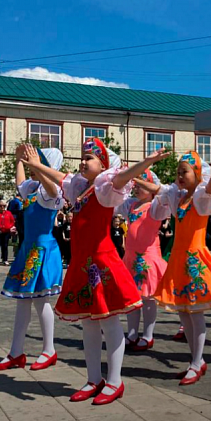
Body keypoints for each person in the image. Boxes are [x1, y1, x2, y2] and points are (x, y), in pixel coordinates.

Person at [31, 138, 165, 405]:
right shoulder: (81, 188)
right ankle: (94, 379)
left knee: (108, 320)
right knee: (88, 323)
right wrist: (37, 165)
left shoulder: (106, 188)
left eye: (89, 158)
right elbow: (61, 177)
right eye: (82, 156)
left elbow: (121, 177)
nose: (83, 161)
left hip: (102, 263)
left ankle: (114, 380)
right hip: (83, 262)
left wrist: (145, 163)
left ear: (103, 165)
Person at [153, 151, 211, 384]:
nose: (179, 176)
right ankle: (196, 359)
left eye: (184, 171)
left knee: (195, 311)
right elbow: (157, 190)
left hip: (195, 260)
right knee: (183, 311)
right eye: (178, 172)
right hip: (178, 260)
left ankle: (197, 361)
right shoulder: (178, 197)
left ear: (197, 173)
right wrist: (134, 177)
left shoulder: (202, 197)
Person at [0, 146, 66, 373]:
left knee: (40, 299)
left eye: (40, 160)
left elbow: (53, 191)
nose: (33, 163)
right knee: (23, 300)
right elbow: (20, 183)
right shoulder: (33, 187)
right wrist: (19, 162)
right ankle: (16, 352)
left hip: (43, 249)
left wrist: (35, 165)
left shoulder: (51, 191)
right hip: (29, 249)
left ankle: (49, 349)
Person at [118, 169, 169, 352]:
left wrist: (144, 181)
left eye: (141, 185)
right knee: (132, 298)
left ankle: (148, 335)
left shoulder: (156, 206)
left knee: (147, 298)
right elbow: (116, 195)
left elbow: (164, 193)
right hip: (131, 258)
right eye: (136, 185)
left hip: (147, 257)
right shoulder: (131, 205)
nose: (137, 188)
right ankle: (132, 333)